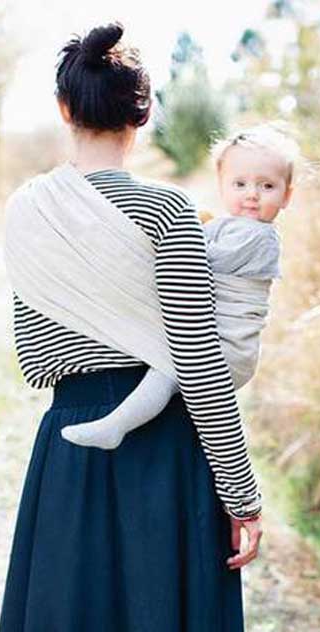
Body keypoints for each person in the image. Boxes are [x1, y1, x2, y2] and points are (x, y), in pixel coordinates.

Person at [0, 21, 262, 632]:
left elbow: (35, 355)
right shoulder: (167, 213)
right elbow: (199, 364)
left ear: (65, 107)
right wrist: (241, 492)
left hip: (70, 449)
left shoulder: (28, 211)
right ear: (143, 115)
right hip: (167, 454)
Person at [60, 122, 298, 450]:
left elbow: (198, 261)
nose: (252, 194)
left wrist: (176, 233)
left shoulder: (261, 237)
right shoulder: (232, 226)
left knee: (166, 369)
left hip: (229, 348)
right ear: (222, 185)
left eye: (267, 186)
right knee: (168, 376)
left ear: (287, 195)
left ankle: (116, 426)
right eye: (240, 184)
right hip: (217, 338)